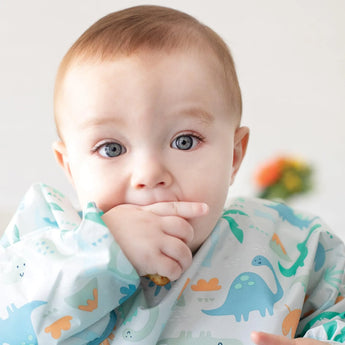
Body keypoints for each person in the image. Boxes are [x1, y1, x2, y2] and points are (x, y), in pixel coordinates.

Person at [1, 5, 344, 345]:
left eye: (184, 141)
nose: (150, 174)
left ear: (235, 155)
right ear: (70, 167)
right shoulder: (47, 235)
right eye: (111, 149)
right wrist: (102, 248)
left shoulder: (292, 241)